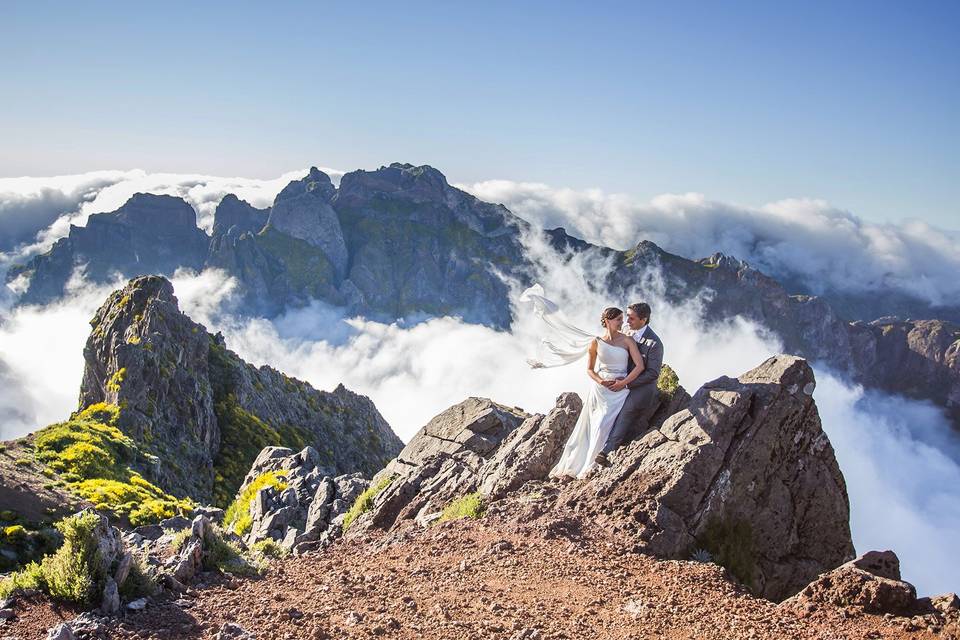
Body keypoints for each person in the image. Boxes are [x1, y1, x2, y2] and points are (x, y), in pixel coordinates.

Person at [519, 285, 645, 479]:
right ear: (608, 321)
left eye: (622, 319)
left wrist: (624, 383)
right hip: (600, 390)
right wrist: (600, 381)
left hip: (620, 389)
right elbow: (589, 369)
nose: (623, 322)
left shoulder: (628, 341)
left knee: (604, 424)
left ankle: (593, 465)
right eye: (619, 319)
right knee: (593, 425)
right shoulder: (596, 342)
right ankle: (583, 464)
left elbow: (639, 366)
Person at [594, 302, 663, 467]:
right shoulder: (624, 331)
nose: (627, 321)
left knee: (626, 410)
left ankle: (606, 452)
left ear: (643, 320)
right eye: (627, 316)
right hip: (620, 380)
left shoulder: (654, 344)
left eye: (631, 318)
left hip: (641, 387)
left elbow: (653, 374)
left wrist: (626, 384)